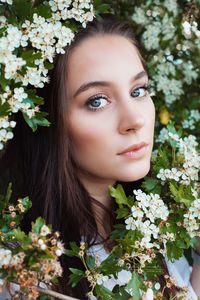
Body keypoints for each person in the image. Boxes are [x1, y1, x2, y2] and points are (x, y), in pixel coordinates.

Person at [0, 17, 200, 300]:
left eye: (138, 91)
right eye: (97, 101)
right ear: (46, 121)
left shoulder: (166, 230)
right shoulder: (23, 274)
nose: (135, 120)